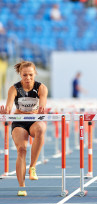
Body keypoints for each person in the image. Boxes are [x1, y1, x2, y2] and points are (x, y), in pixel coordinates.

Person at [0, 61, 48, 196]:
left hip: (33, 120)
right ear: (20, 75)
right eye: (25, 75)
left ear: (35, 74)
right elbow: (9, 106)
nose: (28, 78)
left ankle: (32, 167)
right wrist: (6, 112)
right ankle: (22, 187)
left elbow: (42, 106)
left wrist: (41, 111)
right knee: (21, 150)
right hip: (19, 122)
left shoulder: (41, 88)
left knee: (41, 129)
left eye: (30, 75)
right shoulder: (14, 89)